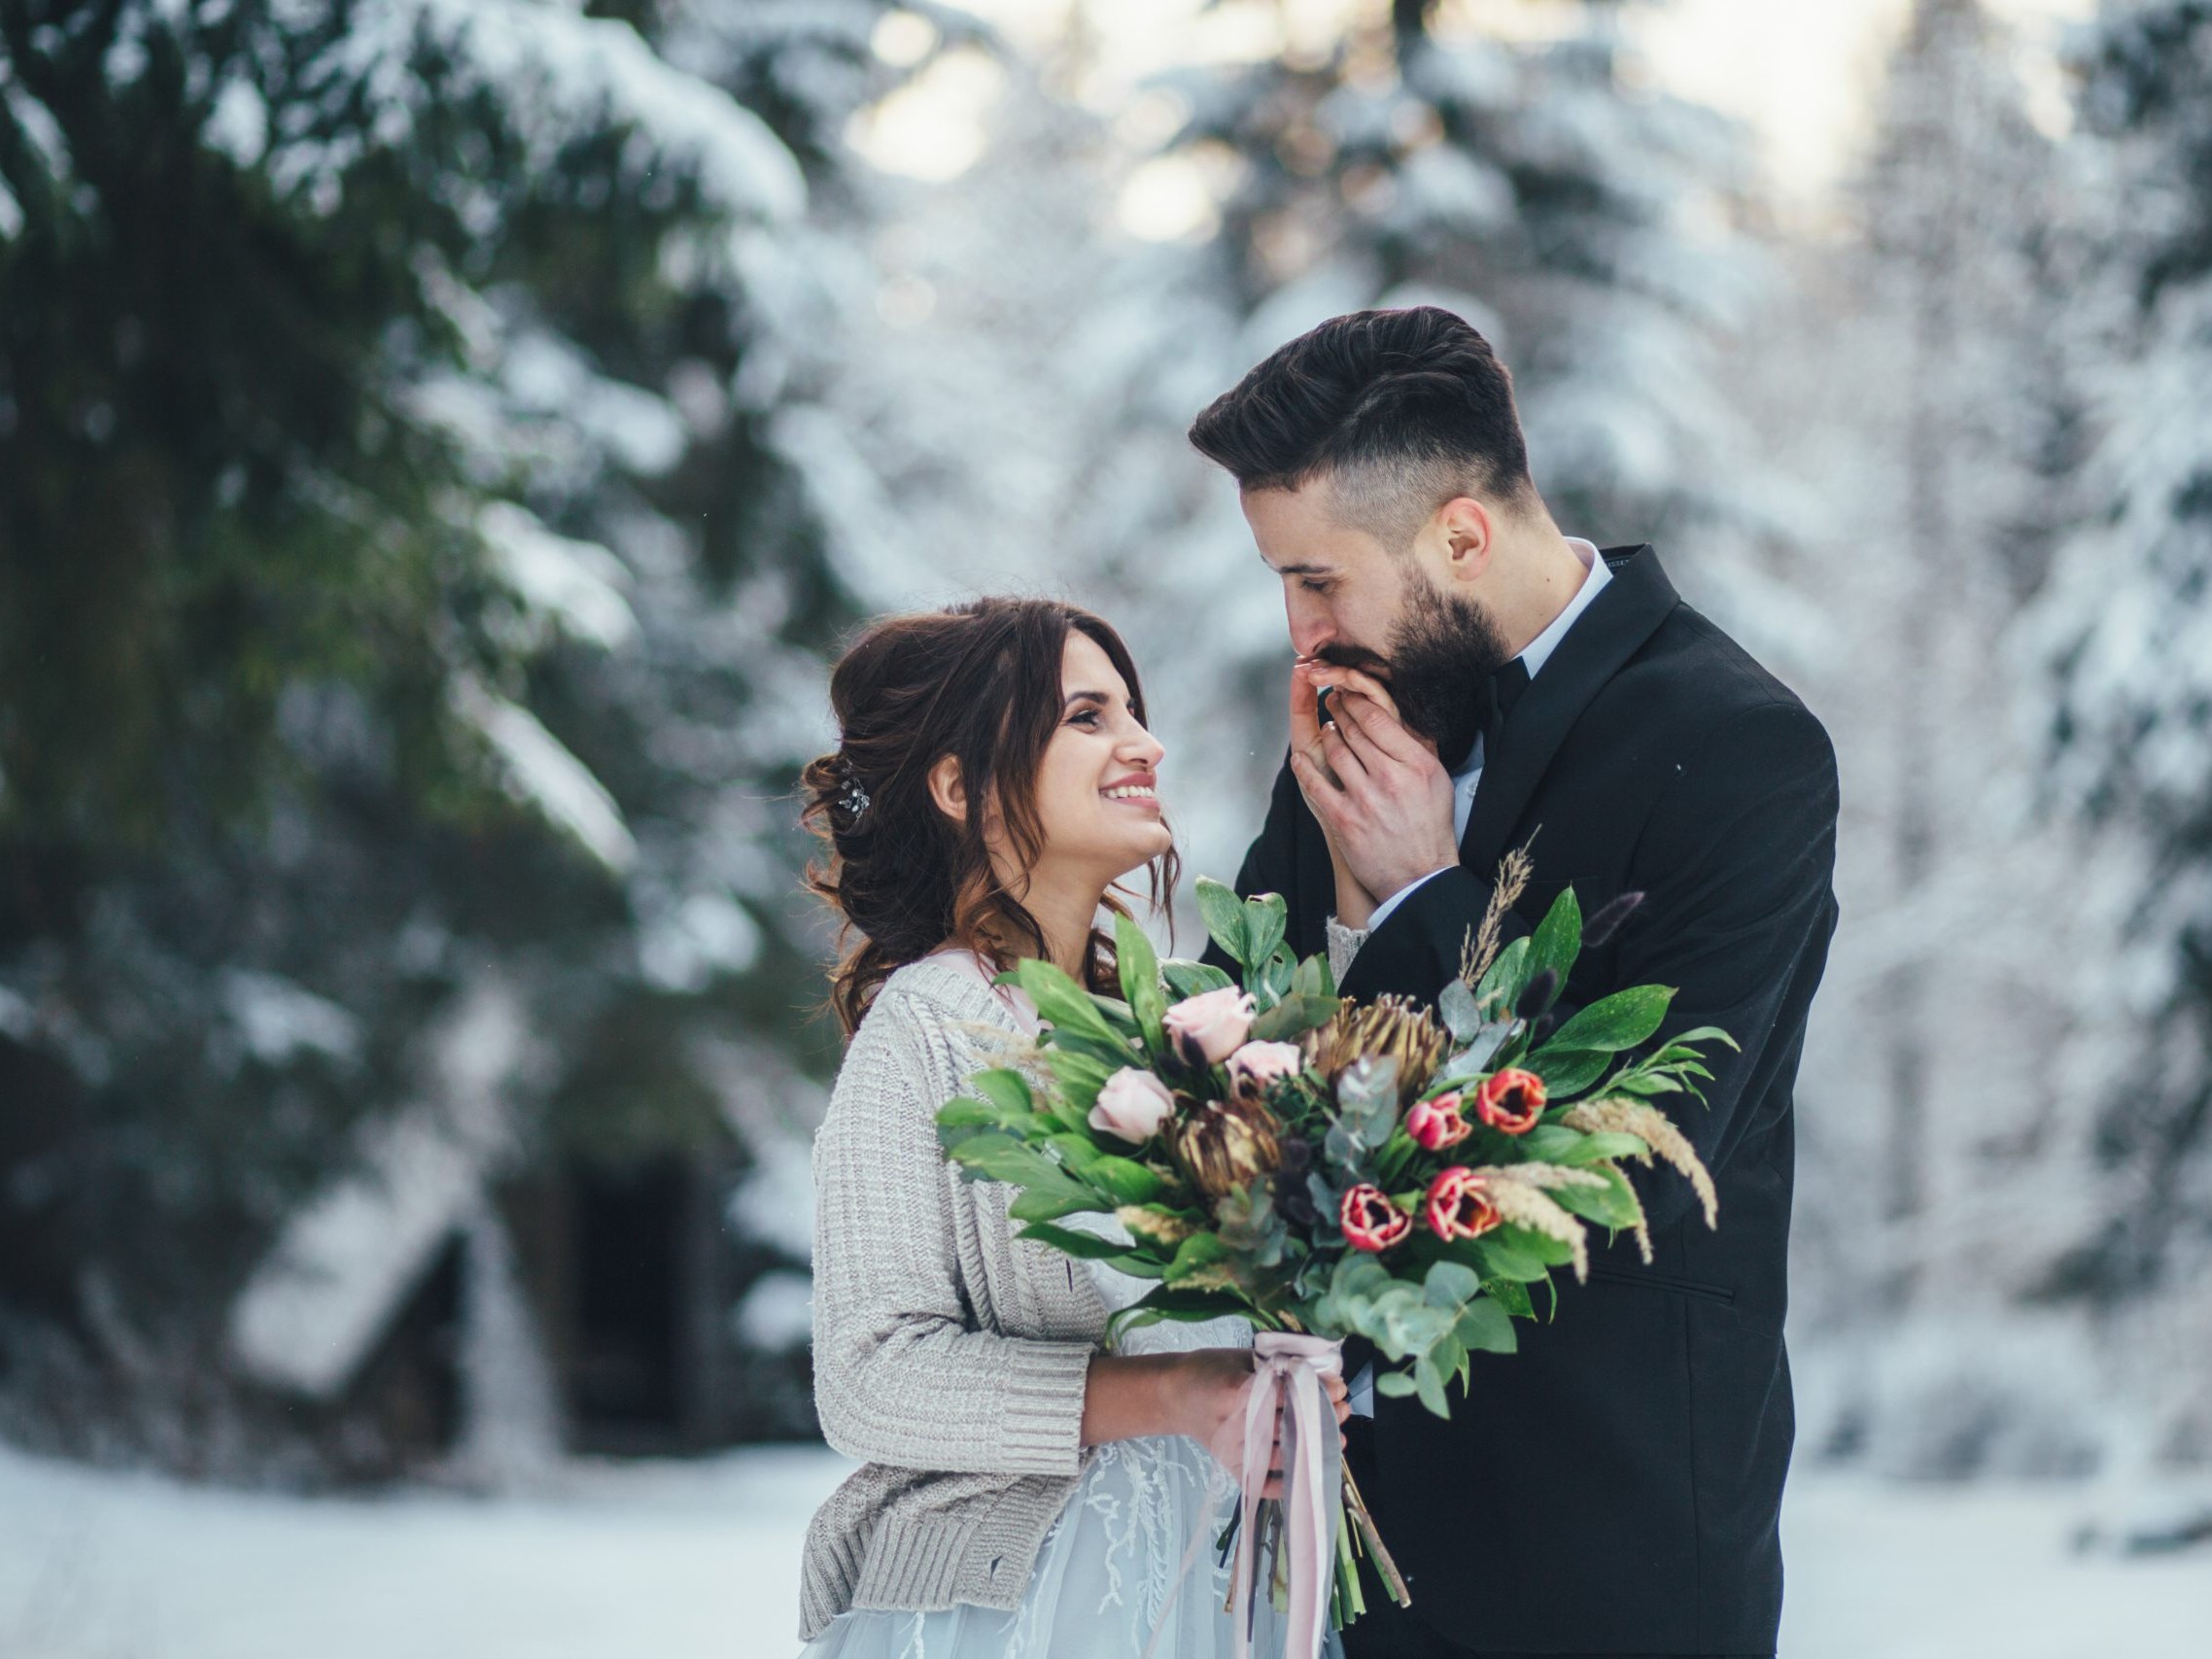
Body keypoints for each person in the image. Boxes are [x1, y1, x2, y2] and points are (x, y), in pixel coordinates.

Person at [1190, 307, 1842, 1659]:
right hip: (1353, 1548)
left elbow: (1638, 1159)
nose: (1302, 633)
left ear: (1463, 538)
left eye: (1318, 579)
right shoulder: (1358, 713)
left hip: (1614, 1547)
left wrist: (1428, 901)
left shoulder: (1742, 746)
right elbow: (1236, 1036)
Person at [793, 596, 1349, 1658]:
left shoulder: (1174, 1030)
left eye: (1132, 713)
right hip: (1020, 1606)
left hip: (1214, 1590)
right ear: (958, 785)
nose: (1144, 744)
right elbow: (867, 1377)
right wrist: (1173, 1394)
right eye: (1087, 717)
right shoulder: (926, 1030)